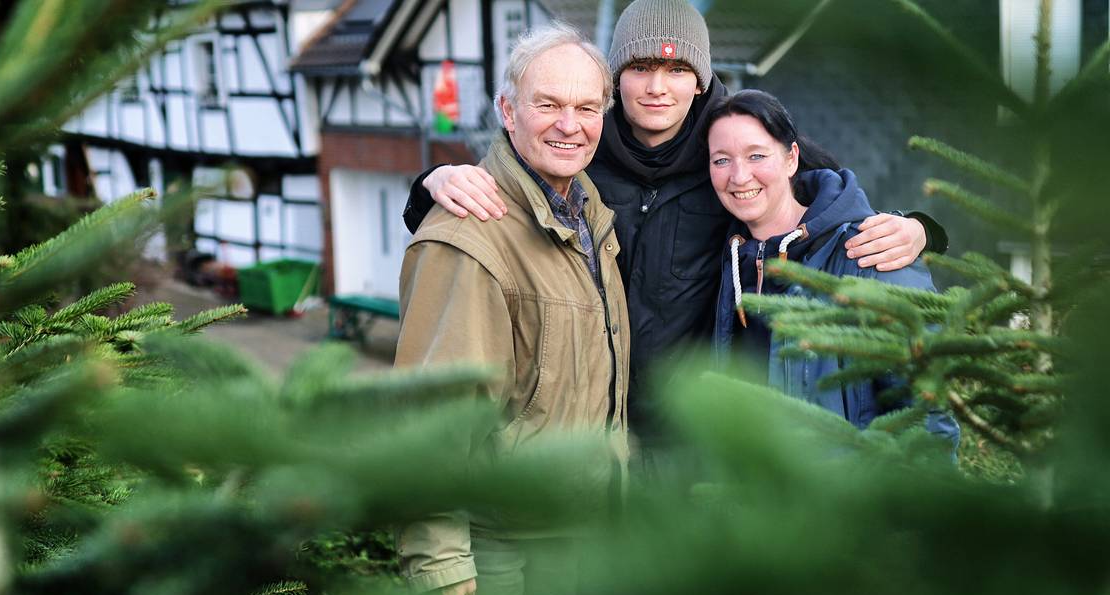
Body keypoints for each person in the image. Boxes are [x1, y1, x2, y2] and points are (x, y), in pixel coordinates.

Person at [403, 0, 946, 450]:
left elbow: (832, 201)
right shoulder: (580, 141)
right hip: (590, 428)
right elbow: (501, 189)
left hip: (690, 434)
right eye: (640, 68)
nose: (657, 87)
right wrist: (433, 179)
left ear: (701, 80)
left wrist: (919, 228)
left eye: (677, 70)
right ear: (616, 80)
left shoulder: (733, 145)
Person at [394, 23, 628, 595]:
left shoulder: (588, 216)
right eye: (547, 104)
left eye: (586, 107)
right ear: (507, 109)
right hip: (500, 549)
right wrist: (439, 562)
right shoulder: (469, 235)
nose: (568, 124)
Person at [706, 89, 958, 442]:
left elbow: (928, 417)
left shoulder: (870, 251)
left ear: (791, 158)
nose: (739, 176)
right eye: (721, 160)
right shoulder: (732, 257)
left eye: (756, 155)